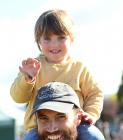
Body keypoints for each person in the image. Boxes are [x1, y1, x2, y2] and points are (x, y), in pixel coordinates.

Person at [10, 9, 104, 140]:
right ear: (38, 41)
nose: (54, 44)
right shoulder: (33, 67)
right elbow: (17, 97)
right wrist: (28, 78)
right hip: (40, 128)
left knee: (94, 136)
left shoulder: (79, 68)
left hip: (74, 127)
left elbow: (95, 93)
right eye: (47, 39)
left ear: (71, 38)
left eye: (61, 38)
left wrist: (90, 114)